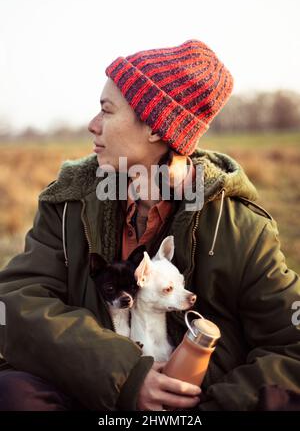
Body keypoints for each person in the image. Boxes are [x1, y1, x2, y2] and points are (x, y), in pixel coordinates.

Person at [0, 39, 299, 411]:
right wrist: (122, 375)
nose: (93, 126)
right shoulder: (68, 205)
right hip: (87, 392)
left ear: (157, 128)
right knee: (13, 393)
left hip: (197, 405)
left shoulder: (239, 227)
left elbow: (291, 345)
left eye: (106, 112)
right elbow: (15, 300)